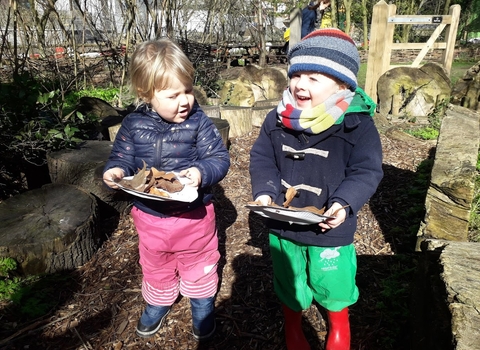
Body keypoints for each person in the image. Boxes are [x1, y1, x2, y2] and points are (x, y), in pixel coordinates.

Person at [249, 28, 383, 350]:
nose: (300, 85)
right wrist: (266, 191)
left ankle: (338, 325)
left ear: (342, 84)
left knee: (332, 279)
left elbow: (366, 170)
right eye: (297, 75)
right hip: (284, 221)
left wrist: (344, 203)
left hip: (330, 226)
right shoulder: (277, 119)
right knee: (289, 278)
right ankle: (293, 325)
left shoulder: (356, 124)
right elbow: (262, 157)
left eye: (314, 77)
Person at [103, 38, 230, 341]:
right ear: (145, 94)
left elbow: (219, 158)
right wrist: (116, 171)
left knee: (199, 261)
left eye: (187, 90)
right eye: (173, 95)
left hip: (193, 215)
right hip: (150, 216)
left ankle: (201, 303)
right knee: (155, 262)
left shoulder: (198, 122)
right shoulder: (133, 125)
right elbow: (121, 157)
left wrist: (201, 172)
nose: (185, 101)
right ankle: (158, 300)